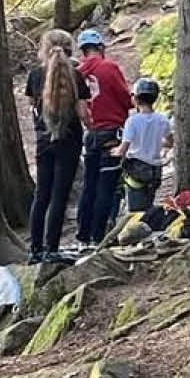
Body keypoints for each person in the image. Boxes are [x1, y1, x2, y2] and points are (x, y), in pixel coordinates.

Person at [24, 29, 90, 263]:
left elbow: (32, 105)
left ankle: (35, 249)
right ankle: (51, 248)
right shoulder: (77, 77)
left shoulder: (34, 76)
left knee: (41, 194)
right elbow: (83, 113)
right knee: (60, 195)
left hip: (44, 141)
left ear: (44, 49)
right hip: (69, 141)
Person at [73, 28, 132, 249]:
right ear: (100, 47)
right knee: (107, 186)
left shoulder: (77, 73)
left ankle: (83, 236)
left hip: (91, 134)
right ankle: (99, 236)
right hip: (112, 132)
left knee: (89, 186)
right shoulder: (109, 68)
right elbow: (125, 98)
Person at [115, 77, 171, 213]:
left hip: (137, 171)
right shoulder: (163, 120)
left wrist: (112, 151)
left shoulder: (132, 121)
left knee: (135, 212)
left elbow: (123, 149)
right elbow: (169, 142)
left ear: (135, 98)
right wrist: (156, 142)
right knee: (148, 206)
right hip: (155, 172)